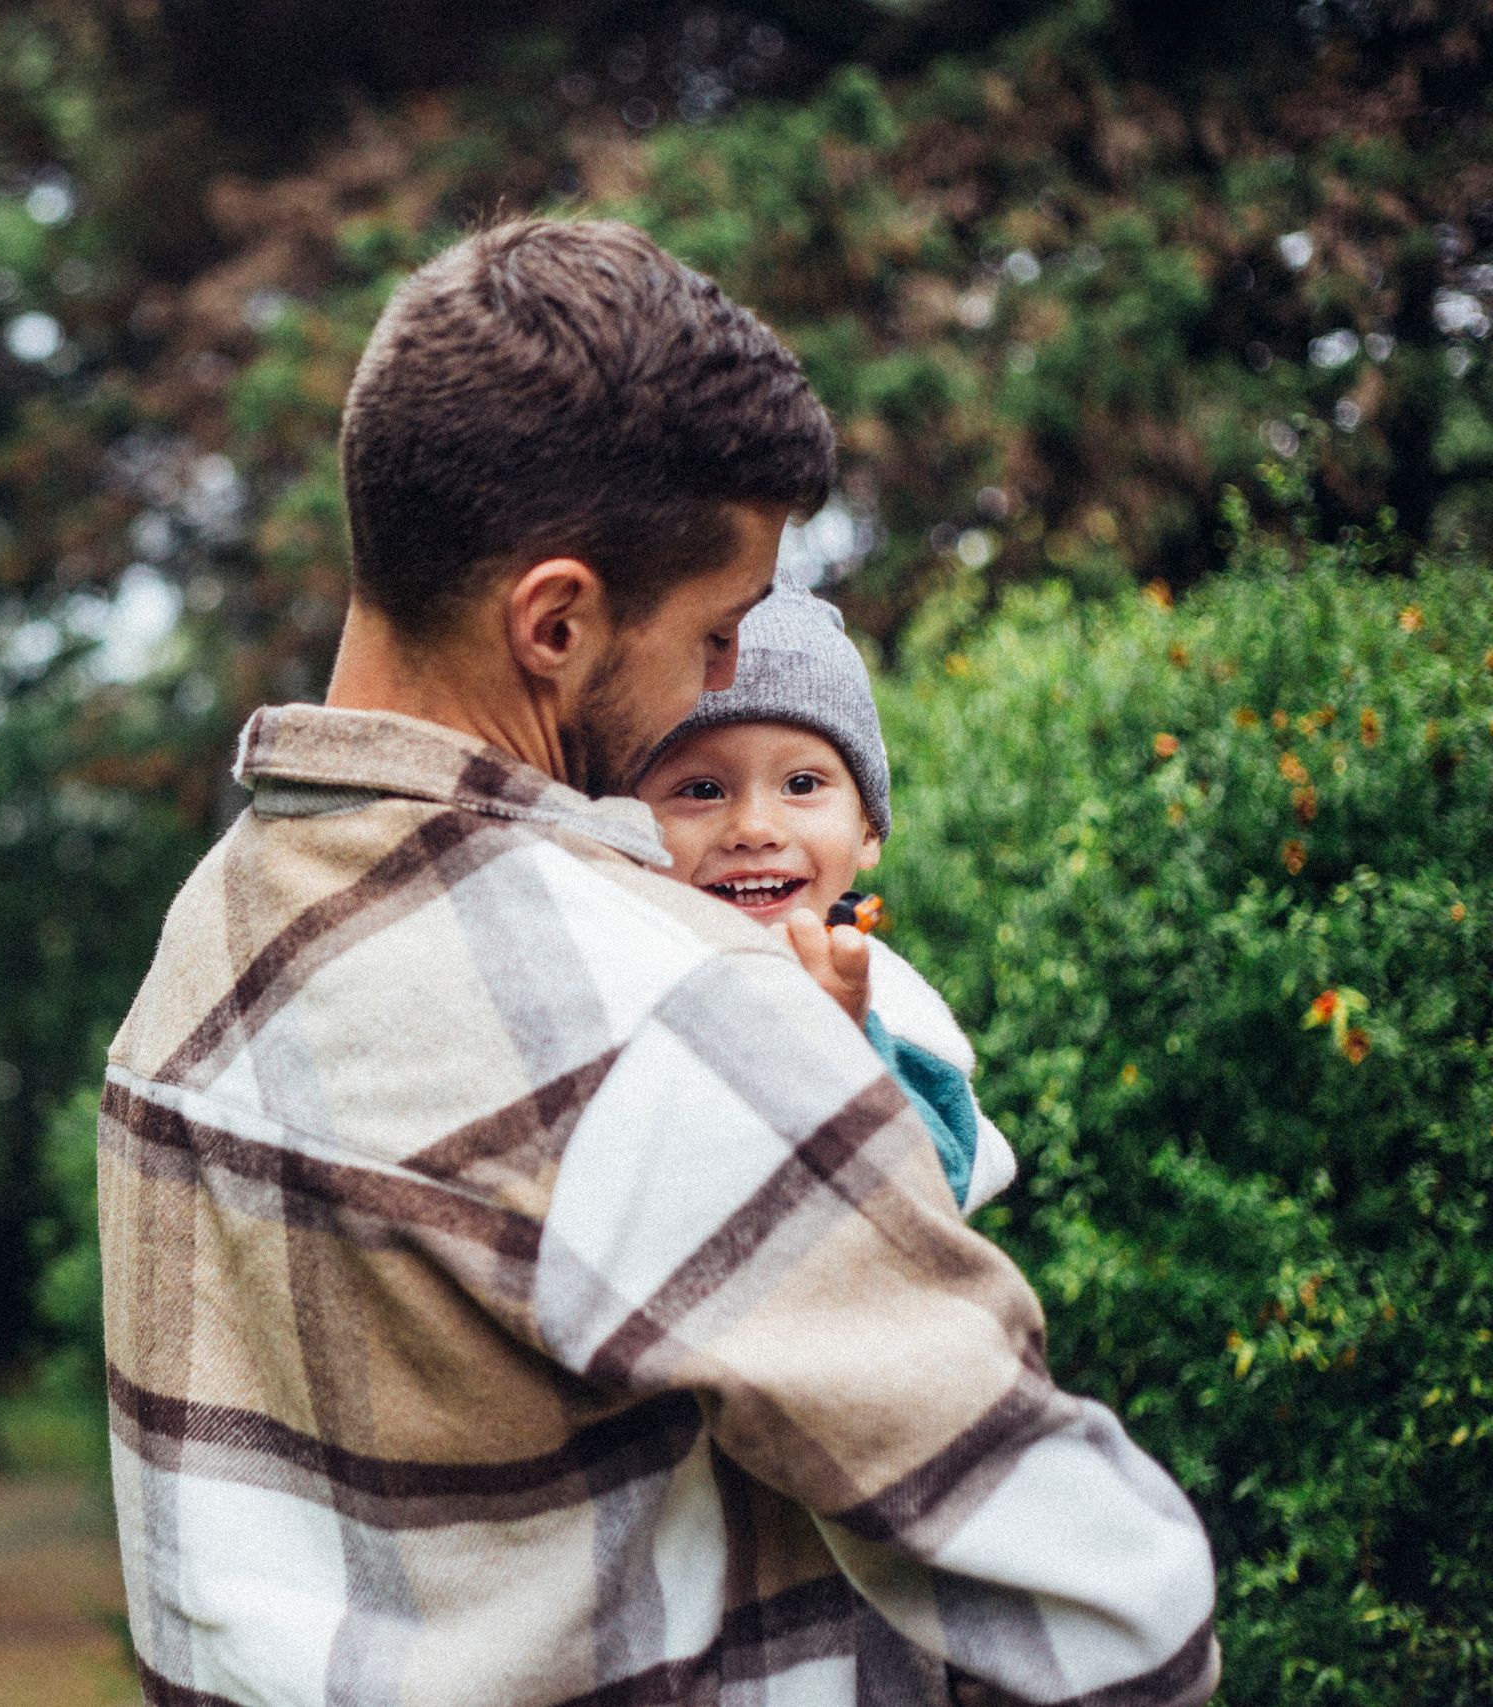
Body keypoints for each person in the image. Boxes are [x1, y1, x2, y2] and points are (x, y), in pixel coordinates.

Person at [98, 218, 1218, 1707]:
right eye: (717, 631)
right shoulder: (658, 1009)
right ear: (556, 620)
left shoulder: (210, 936)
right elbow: (1113, 1611)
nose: (721, 680)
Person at [633, 582, 1018, 1216]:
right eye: (702, 790)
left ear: (868, 829)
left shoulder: (888, 1004)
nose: (754, 828)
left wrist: (845, 1046)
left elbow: (941, 1181)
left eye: (802, 783)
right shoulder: (613, 960)